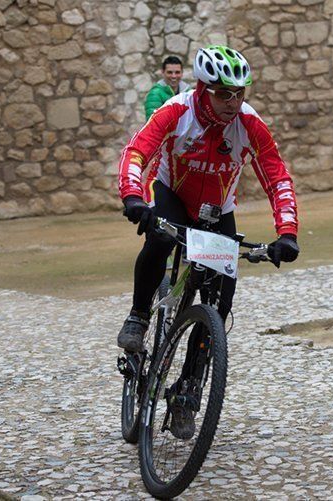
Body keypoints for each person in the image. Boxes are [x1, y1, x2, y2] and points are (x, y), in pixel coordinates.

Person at [117, 45, 300, 439]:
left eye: (240, 92)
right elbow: (137, 152)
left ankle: (186, 393)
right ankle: (138, 316)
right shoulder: (177, 112)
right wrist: (134, 196)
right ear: (203, 88)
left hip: (217, 209)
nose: (233, 102)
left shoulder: (249, 124)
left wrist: (287, 233)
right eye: (223, 93)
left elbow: (277, 177)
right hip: (171, 194)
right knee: (159, 241)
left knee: (219, 300)